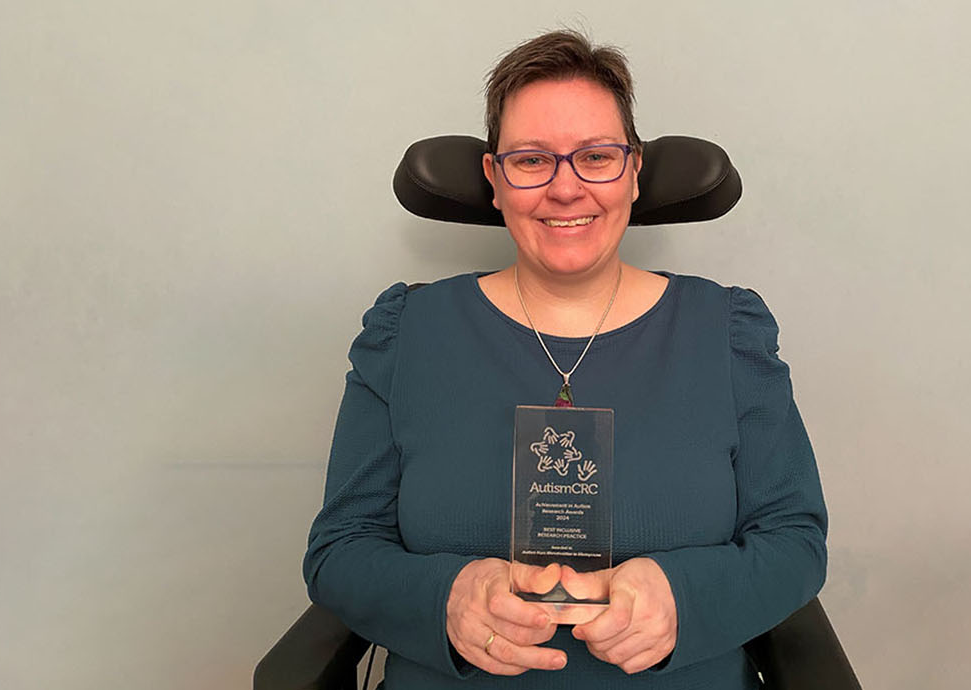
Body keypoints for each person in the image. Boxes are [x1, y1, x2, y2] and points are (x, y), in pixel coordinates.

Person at [302, 30, 827, 689]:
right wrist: (449, 596)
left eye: (597, 157)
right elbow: (339, 551)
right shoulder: (408, 334)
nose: (566, 188)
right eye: (530, 161)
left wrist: (680, 596)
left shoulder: (726, 333)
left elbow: (795, 541)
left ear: (634, 172)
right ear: (494, 180)